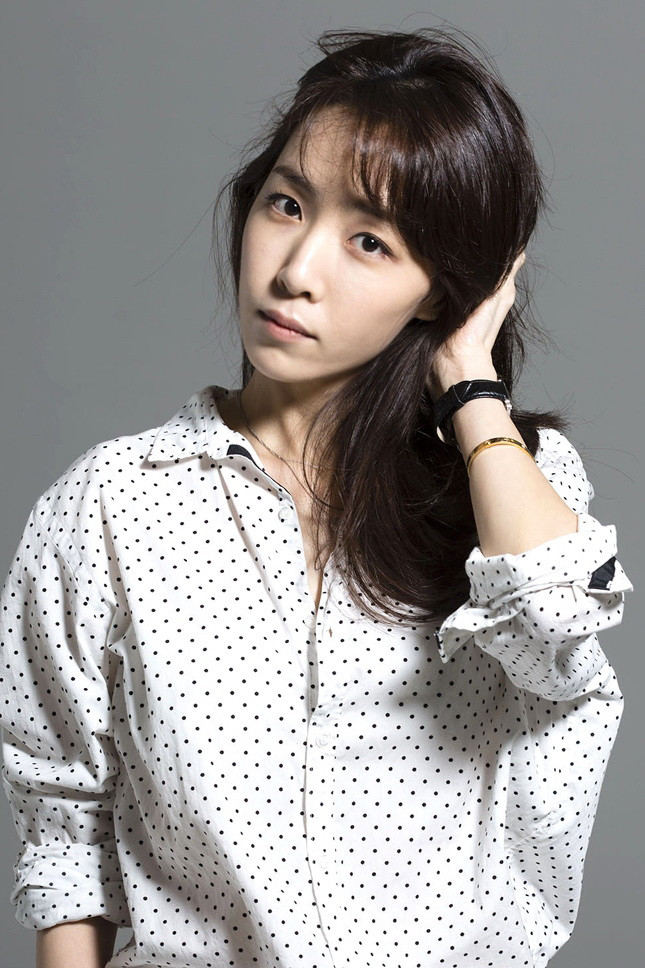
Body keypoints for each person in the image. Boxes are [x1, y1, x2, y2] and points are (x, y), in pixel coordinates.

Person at [0, 26, 632, 968]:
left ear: (441, 289)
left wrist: (470, 384)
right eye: (286, 203)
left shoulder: (508, 482)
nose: (295, 271)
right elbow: (64, 837)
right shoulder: (109, 505)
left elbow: (555, 632)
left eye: (369, 241)